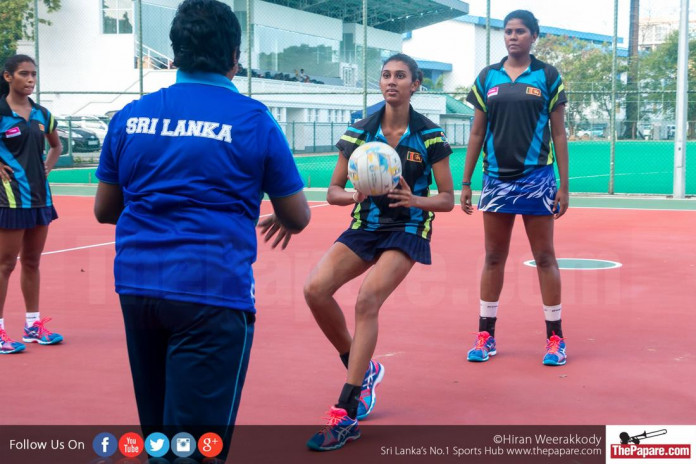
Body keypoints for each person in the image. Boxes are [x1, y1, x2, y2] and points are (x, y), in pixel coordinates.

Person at [93, 0, 310, 461]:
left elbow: (105, 210)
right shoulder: (253, 119)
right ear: (234, 54)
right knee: (197, 449)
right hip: (212, 293)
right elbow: (298, 215)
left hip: (138, 288)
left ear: (176, 54)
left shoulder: (130, 116)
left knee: (159, 438)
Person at [302, 53, 454, 451]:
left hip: (407, 227)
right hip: (365, 225)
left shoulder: (431, 136)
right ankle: (361, 367)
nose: (392, 82)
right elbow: (332, 190)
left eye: (400, 76)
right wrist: (352, 194)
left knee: (368, 299)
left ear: (415, 84)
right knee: (315, 290)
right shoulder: (359, 132)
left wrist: (414, 201)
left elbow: (447, 199)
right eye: (386, 75)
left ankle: (346, 411)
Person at [460, 10, 570, 366]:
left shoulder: (548, 76)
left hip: (538, 179)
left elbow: (558, 133)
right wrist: (466, 181)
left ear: (534, 35)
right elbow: (476, 132)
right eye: (508, 31)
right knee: (493, 257)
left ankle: (555, 339)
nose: (513, 37)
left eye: (520, 31)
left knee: (545, 257)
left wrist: (563, 185)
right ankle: (485, 336)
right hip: (495, 181)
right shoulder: (486, 77)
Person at [0, 54, 63, 355]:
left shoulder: (42, 114)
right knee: (5, 265)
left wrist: (46, 168)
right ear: (8, 77)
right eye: (24, 74)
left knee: (33, 262)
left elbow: (56, 145)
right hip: (10, 199)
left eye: (34, 75)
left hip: (40, 198)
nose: (30, 80)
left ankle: (33, 326)